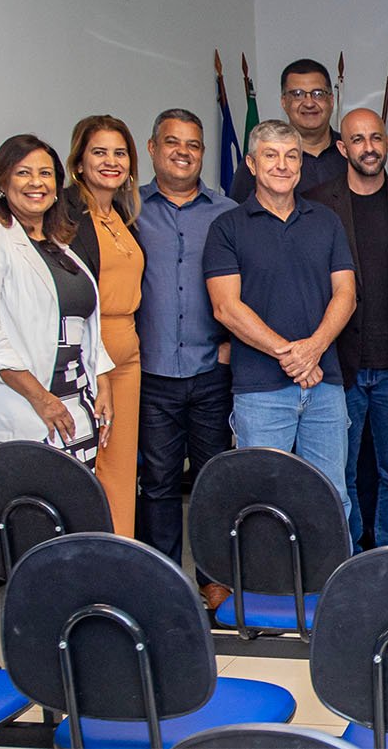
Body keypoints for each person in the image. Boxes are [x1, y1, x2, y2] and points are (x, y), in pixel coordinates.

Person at [203, 120, 356, 513]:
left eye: (292, 156)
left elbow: (346, 294)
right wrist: (292, 354)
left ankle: (329, 577)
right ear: (252, 164)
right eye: (271, 155)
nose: (282, 165)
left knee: (333, 496)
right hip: (260, 390)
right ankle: (267, 579)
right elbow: (226, 307)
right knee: (264, 502)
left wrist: (315, 349)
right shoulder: (227, 228)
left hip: (325, 388)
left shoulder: (326, 221)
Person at [309, 108, 388, 550]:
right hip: (337, 365)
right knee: (339, 471)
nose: (368, 147)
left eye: (376, 138)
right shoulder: (315, 203)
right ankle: (348, 552)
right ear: (342, 148)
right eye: (357, 139)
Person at [0, 134, 114, 467]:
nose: (36, 182)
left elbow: (81, 323)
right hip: (18, 410)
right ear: (1, 183)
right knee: (29, 514)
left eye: (46, 173)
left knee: (75, 514)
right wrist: (43, 400)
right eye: (23, 173)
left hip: (75, 407)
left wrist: (102, 379)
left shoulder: (60, 247)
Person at [135, 108, 238, 610]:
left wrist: (228, 344)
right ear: (152, 148)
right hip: (151, 371)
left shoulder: (226, 213)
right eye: (172, 142)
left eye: (194, 144)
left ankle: (214, 577)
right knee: (156, 482)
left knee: (213, 478)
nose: (184, 152)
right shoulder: (126, 213)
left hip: (209, 370)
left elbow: (249, 286)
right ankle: (161, 581)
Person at [62, 115, 145, 536]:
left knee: (119, 469)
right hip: (91, 355)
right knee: (90, 468)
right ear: (79, 162)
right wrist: (100, 368)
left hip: (128, 354)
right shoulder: (65, 214)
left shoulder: (125, 214)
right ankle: (92, 567)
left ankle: (121, 561)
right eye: (99, 152)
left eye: (119, 153)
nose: (111, 161)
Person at [227, 58, 347, 203]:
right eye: (297, 94)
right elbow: (239, 217)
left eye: (318, 94)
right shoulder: (261, 159)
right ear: (284, 102)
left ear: (331, 100)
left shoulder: (351, 152)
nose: (309, 103)